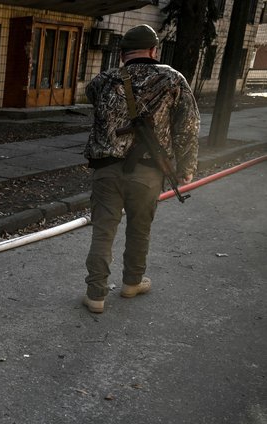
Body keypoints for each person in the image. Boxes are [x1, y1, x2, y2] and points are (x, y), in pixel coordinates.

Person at [82, 24, 200, 313]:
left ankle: (96, 295)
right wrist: (186, 167)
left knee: (103, 232)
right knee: (139, 228)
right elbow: (188, 126)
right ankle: (132, 282)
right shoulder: (173, 79)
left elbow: (91, 97)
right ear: (153, 50)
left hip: (106, 169)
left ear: (122, 55)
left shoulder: (103, 80)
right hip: (148, 172)